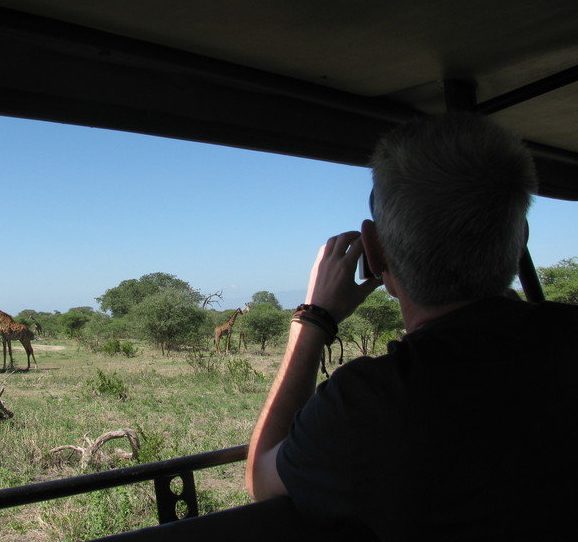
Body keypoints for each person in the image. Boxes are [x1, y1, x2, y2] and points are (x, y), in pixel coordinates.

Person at [245, 113, 578, 540]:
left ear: (375, 250)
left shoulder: (367, 403)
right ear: (520, 240)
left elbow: (261, 478)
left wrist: (314, 319)